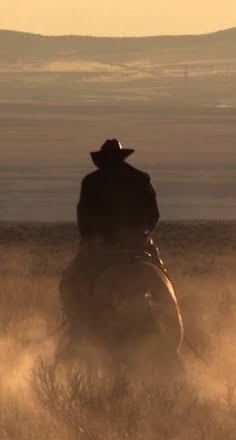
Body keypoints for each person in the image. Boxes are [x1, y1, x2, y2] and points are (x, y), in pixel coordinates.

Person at [60, 139, 166, 328]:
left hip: (103, 246)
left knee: (70, 281)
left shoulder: (92, 181)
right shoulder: (141, 178)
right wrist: (143, 234)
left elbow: (84, 218)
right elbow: (154, 214)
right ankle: (168, 320)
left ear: (103, 160)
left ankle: (78, 327)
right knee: (161, 275)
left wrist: (92, 240)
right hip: (138, 243)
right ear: (121, 157)